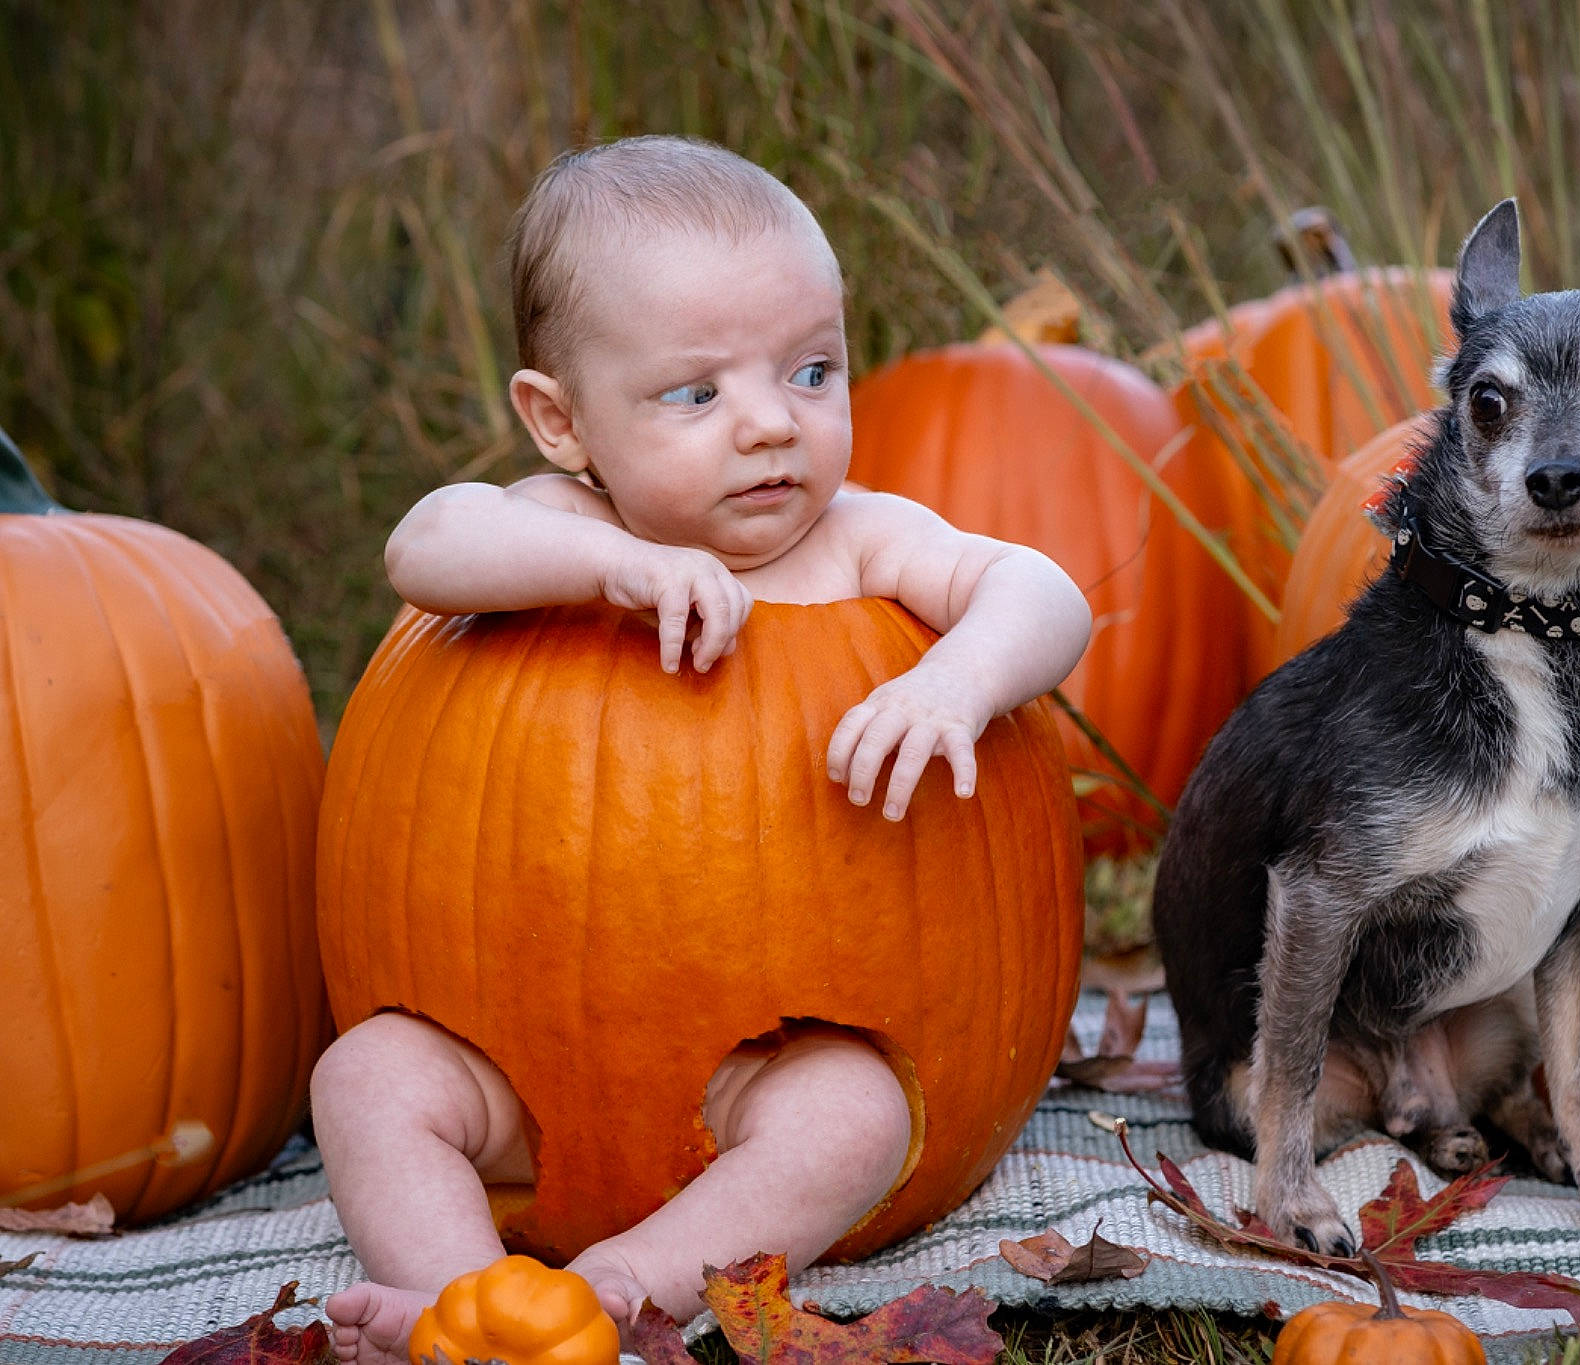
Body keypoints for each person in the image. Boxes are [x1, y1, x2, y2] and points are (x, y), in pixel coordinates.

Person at [312, 134, 1092, 1364]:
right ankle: (462, 1301)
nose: (769, 428)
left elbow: (1043, 592)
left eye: (810, 370)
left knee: (855, 1116)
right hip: (516, 1074)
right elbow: (425, 545)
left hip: (759, 1075)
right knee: (364, 1079)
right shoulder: (553, 527)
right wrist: (610, 566)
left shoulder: (857, 541)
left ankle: (630, 1285)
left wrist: (956, 679)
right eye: (697, 394)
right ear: (560, 420)